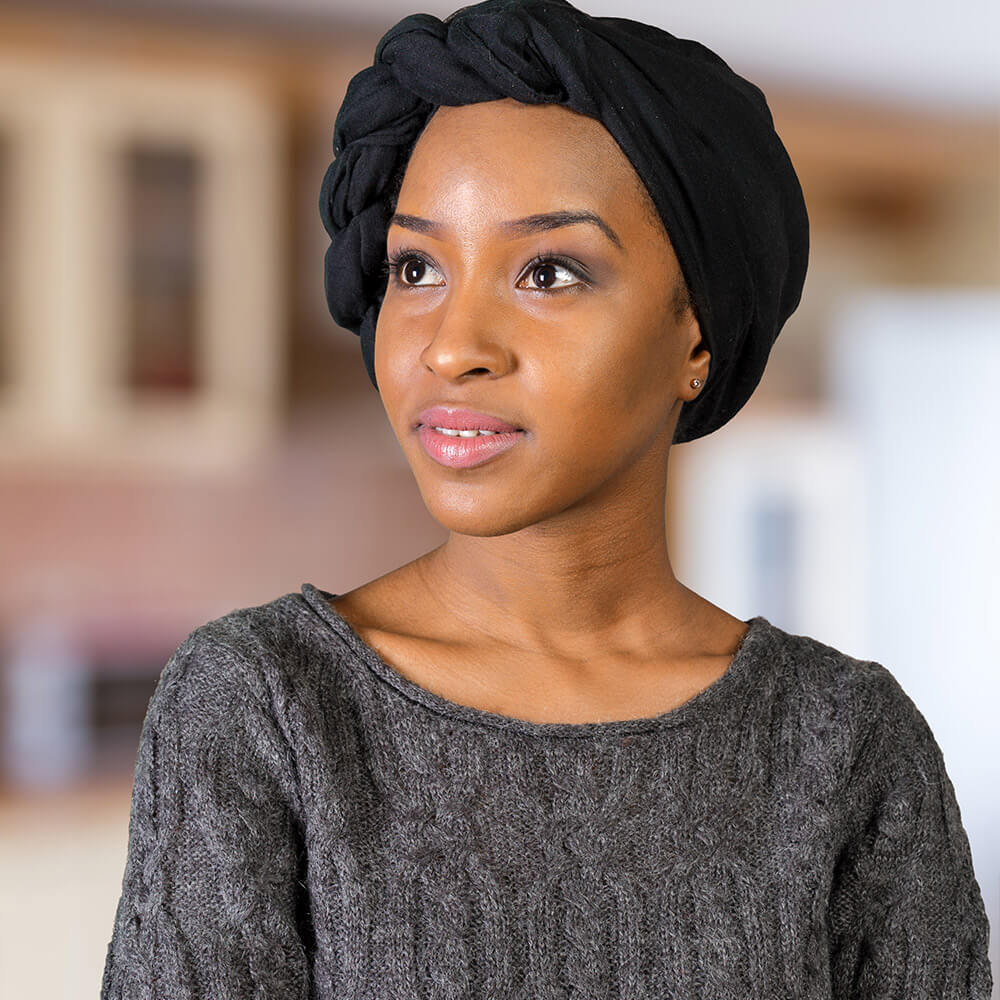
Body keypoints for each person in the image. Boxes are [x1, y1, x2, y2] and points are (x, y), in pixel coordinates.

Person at [101, 1, 993, 997]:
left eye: (548, 271)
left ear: (696, 337)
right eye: (416, 267)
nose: (451, 345)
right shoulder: (265, 707)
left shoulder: (846, 743)